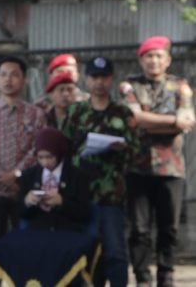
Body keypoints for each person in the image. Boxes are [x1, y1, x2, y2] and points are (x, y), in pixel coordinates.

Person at [119, 36, 195, 287]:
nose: (154, 61)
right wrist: (171, 121)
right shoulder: (129, 86)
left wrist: (150, 120)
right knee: (139, 229)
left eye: (159, 56)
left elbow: (187, 119)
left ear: (168, 60)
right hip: (137, 169)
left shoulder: (180, 86)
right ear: (141, 60)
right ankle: (142, 278)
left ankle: (166, 276)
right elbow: (134, 119)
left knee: (169, 228)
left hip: (171, 168)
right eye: (149, 56)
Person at [61, 56, 138, 287]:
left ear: (111, 79)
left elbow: (137, 149)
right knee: (82, 252)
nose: (99, 82)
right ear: (85, 79)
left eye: (104, 77)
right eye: (94, 77)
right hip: (80, 195)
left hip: (111, 194)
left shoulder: (123, 113)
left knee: (115, 252)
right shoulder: (75, 112)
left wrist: (121, 147)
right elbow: (63, 148)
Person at [0, 128, 92, 287]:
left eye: (49, 157)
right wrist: (27, 202)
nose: (45, 162)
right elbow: (18, 214)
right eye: (40, 157)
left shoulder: (77, 175)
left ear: (59, 153)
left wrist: (62, 202)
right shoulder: (30, 175)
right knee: (11, 247)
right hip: (37, 229)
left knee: (67, 253)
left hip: (67, 230)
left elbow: (85, 213)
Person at [0, 56, 46, 242]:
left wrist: (17, 174)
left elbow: (37, 149)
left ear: (24, 80)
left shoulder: (36, 114)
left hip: (24, 190)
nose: (8, 79)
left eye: (14, 75)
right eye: (3, 74)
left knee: (27, 243)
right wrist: (1, 176)